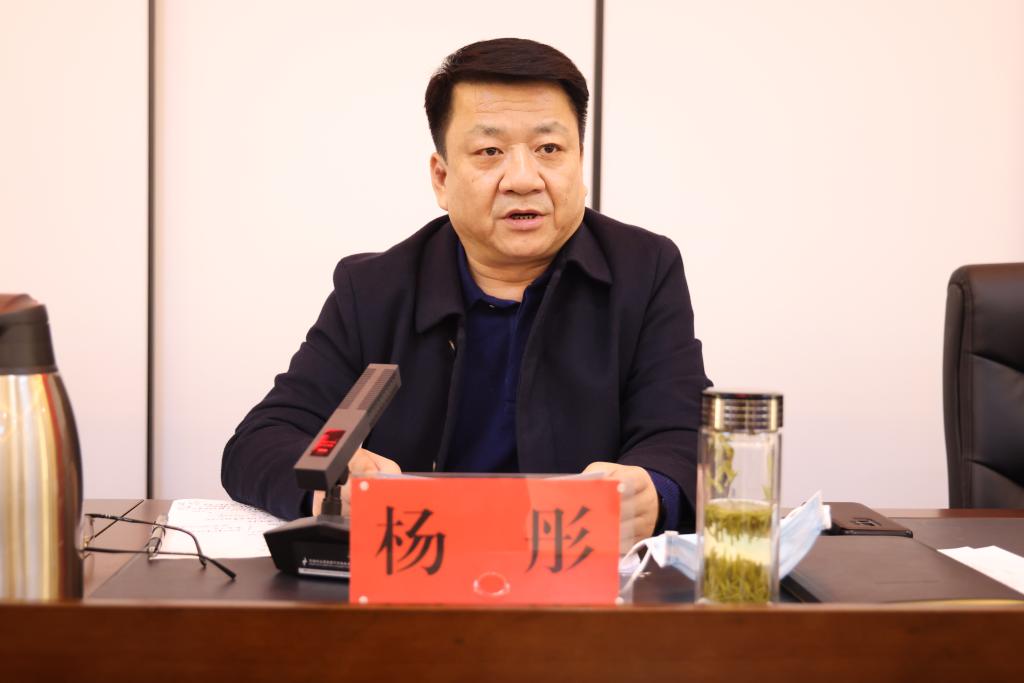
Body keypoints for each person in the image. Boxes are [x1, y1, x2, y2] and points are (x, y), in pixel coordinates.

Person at [221, 38, 709, 543]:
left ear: (579, 163)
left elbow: (681, 434)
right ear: (441, 177)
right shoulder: (373, 291)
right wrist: (327, 491)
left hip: (578, 573)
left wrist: (654, 492)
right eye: (489, 152)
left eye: (549, 149)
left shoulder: (643, 270)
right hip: (418, 569)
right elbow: (261, 441)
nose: (523, 179)